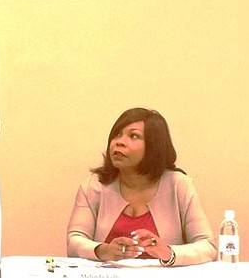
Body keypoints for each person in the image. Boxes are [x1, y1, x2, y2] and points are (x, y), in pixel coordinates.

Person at [66, 108, 217, 266]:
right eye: (117, 134)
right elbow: (74, 241)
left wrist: (168, 253)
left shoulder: (179, 185)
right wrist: (103, 250)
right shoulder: (94, 185)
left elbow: (207, 247)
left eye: (134, 136)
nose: (119, 141)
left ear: (153, 146)